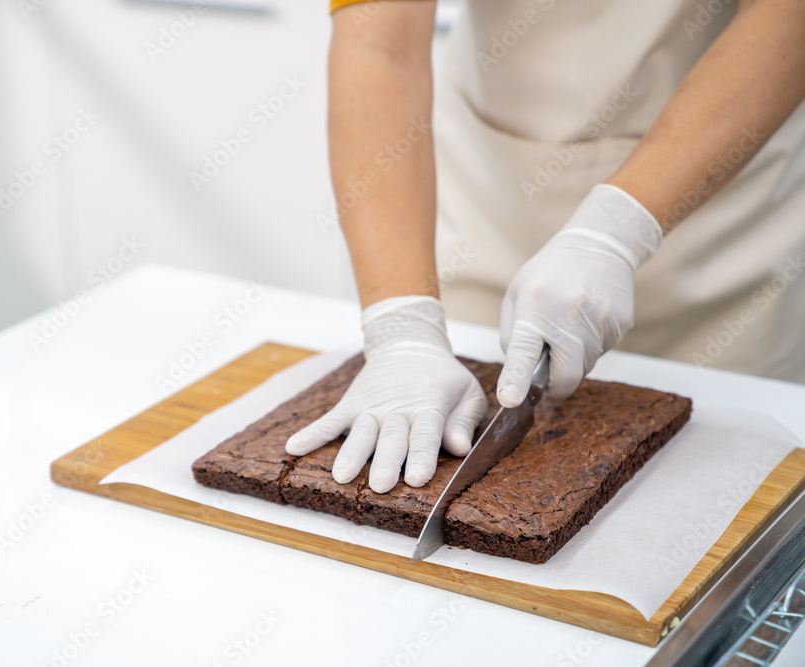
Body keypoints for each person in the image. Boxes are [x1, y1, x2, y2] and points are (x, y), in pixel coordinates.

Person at [285, 0, 805, 494]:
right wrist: (403, 326)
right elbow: (382, 48)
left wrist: (616, 230)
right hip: (492, 198)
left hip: (722, 218)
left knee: (727, 484)